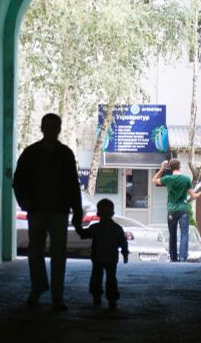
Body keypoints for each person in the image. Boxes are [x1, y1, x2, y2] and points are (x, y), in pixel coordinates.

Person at [12, 113, 83, 310]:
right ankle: (40, 288)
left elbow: (72, 184)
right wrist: (24, 201)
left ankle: (55, 295)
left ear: (59, 129)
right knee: (35, 252)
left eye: (55, 127)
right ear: (42, 128)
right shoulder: (31, 153)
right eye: (48, 126)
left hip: (58, 211)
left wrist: (77, 210)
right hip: (38, 210)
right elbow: (18, 180)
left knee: (57, 254)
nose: (51, 130)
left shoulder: (65, 154)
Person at [77, 198, 128, 309]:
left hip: (98, 258)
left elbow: (84, 234)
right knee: (111, 279)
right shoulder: (117, 228)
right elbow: (123, 242)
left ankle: (97, 297)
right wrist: (125, 254)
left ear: (98, 213)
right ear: (113, 213)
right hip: (111, 259)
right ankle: (112, 300)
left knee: (97, 277)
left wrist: (77, 226)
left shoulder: (96, 228)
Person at [153, 158, 200, 262]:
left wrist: (161, 169)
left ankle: (173, 257)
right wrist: (200, 193)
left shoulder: (168, 178)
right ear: (179, 167)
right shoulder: (186, 179)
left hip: (171, 210)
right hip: (183, 210)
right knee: (184, 234)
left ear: (171, 168)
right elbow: (193, 196)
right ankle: (183, 257)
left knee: (172, 234)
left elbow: (154, 181)